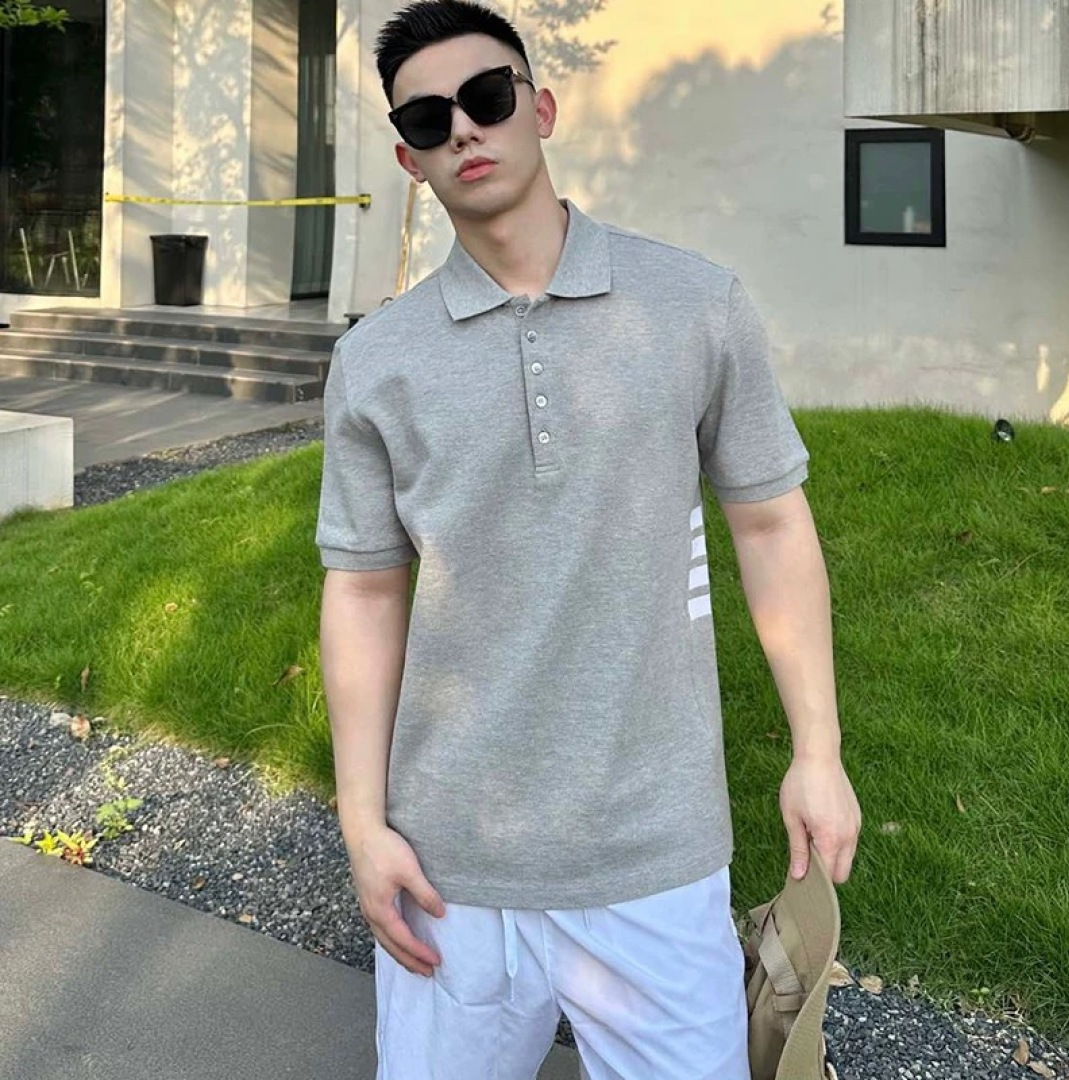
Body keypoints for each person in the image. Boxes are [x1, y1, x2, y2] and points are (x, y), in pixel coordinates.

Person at [314, 2, 862, 1077]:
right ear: (408, 159)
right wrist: (362, 823)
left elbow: (770, 524)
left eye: (487, 97)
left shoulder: (695, 304)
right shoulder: (376, 362)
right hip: (448, 868)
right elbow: (365, 591)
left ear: (542, 109)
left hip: (655, 854)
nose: (463, 129)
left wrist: (818, 752)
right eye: (428, 119)